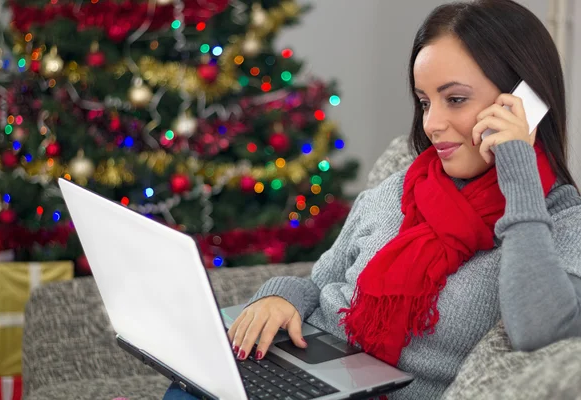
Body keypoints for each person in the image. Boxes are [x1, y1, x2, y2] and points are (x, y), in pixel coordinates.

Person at [164, 0, 581, 399]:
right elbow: (320, 284)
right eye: (424, 102)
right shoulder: (398, 188)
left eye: (455, 99)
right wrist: (279, 297)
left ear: (524, 104)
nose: (432, 124)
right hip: (302, 373)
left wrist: (519, 179)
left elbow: (538, 331)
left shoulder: (561, 220)